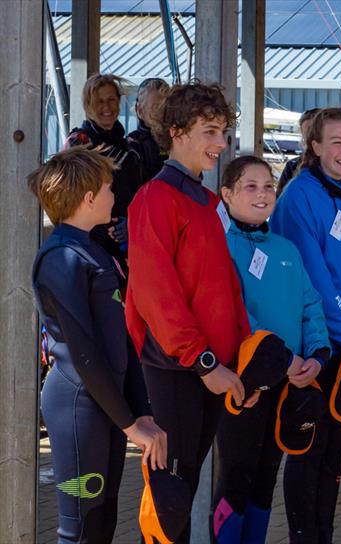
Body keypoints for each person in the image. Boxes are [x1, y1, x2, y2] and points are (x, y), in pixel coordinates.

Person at [125, 82, 258, 544]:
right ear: (176, 131)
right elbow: (156, 298)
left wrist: (240, 366)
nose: (221, 144)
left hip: (212, 369)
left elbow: (227, 290)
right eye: (210, 131)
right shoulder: (155, 200)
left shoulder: (208, 202)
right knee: (169, 505)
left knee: (186, 491)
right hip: (177, 369)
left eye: (223, 131)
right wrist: (204, 363)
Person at [28, 147, 167, 543]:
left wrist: (141, 413)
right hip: (78, 405)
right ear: (88, 198)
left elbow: (121, 340)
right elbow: (82, 353)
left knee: (103, 521)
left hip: (106, 403)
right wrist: (127, 422)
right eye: (109, 189)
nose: (114, 197)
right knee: (80, 527)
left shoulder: (92, 249)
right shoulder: (61, 257)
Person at [270, 107, 341, 543]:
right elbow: (313, 277)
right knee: (308, 450)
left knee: (334, 454)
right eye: (337, 142)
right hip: (316, 349)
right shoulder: (299, 197)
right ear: (315, 147)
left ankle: (325, 535)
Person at [212, 155, 331, 544]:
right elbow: (237, 316)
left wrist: (316, 355)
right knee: (236, 478)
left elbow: (310, 304)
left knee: (265, 477)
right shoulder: (220, 248)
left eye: (268, 186)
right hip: (244, 384)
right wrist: (284, 359)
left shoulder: (285, 249)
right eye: (251, 186)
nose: (262, 194)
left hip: (288, 382)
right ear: (227, 194)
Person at [65, 73, 144, 272]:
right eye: (99, 101)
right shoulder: (79, 143)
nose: (106, 107)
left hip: (127, 249)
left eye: (111, 100)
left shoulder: (131, 150)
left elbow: (139, 198)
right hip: (89, 247)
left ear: (119, 103)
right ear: (87, 105)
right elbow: (68, 200)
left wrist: (131, 224)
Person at [127, 78, 170, 183]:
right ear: (140, 111)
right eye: (155, 108)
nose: (161, 113)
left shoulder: (178, 140)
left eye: (165, 107)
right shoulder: (132, 146)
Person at [276, 108, 320, 196]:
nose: (312, 136)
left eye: (316, 131)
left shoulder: (339, 165)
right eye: (308, 132)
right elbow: (280, 200)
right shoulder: (292, 166)